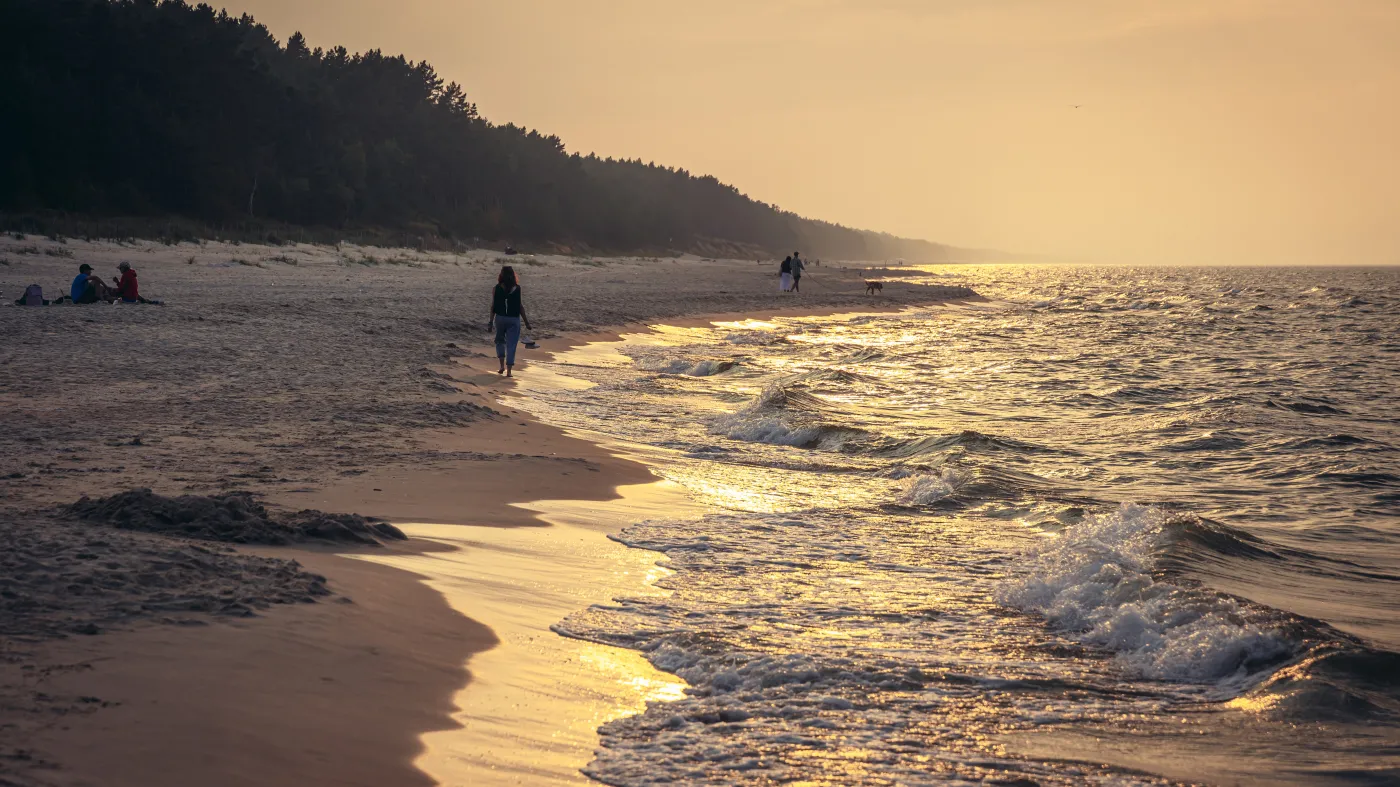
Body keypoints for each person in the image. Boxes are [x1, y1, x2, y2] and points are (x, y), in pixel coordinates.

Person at [488, 265, 532, 377]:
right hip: (513, 319)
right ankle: (509, 371)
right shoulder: (517, 288)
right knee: (511, 345)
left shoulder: (496, 288)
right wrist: (526, 322)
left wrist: (490, 322)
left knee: (499, 341)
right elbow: (520, 306)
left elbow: (493, 307)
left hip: (500, 318)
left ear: (501, 275)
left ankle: (501, 366)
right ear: (513, 275)